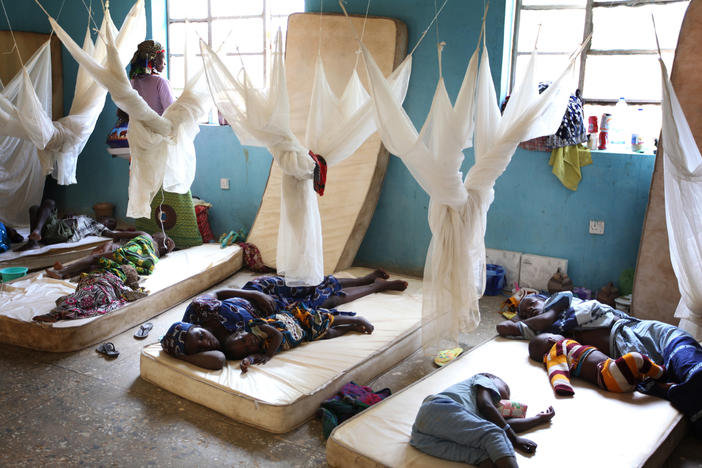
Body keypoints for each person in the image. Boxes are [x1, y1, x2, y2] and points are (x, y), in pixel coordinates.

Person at [496, 291, 702, 435]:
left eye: (532, 304)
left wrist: (524, 320)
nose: (529, 311)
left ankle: (692, 382)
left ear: (544, 299)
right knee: (648, 379)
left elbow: (545, 317)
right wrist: (518, 320)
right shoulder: (549, 335)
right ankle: (686, 396)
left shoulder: (559, 301)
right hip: (624, 350)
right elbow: (502, 327)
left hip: (634, 332)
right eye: (524, 313)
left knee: (684, 356)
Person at [160, 270, 409, 370]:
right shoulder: (223, 348)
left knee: (309, 282)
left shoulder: (197, 311)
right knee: (326, 303)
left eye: (200, 336)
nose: (207, 341)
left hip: (258, 293)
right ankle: (376, 287)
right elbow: (216, 361)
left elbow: (220, 294)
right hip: (275, 314)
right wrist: (184, 354)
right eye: (199, 347)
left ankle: (363, 279)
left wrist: (252, 293)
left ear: (193, 326)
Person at [410, 372, 555, 467]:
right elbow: (488, 408)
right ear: (492, 379)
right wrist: (515, 440)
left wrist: (537, 419)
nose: (505, 399)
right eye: (505, 388)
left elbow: (505, 425)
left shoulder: (473, 418)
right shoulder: (482, 380)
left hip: (422, 436)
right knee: (494, 435)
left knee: (483, 455)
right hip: (439, 408)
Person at [528, 333, 666, 396]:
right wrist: (561, 386)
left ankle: (659, 385)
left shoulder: (561, 350)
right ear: (551, 339)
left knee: (637, 370)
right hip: (607, 375)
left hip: (613, 374)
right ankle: (661, 373)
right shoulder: (555, 351)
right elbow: (556, 370)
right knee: (635, 358)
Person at [45, 230, 174, 281]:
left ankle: (62, 272)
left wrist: (115, 237)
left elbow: (118, 234)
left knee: (95, 259)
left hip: (128, 254)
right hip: (139, 266)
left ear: (156, 236)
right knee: (101, 264)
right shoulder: (155, 254)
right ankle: (70, 274)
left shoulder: (146, 236)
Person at [17, 199, 108, 251]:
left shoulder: (98, 226)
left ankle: (36, 232)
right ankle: (34, 241)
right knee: (34, 208)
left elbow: (114, 234)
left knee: (50, 202)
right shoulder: (87, 218)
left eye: (109, 220)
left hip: (60, 233)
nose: (104, 216)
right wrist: (66, 217)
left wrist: (120, 233)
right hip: (54, 229)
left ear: (107, 225)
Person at [128, 40, 174, 116]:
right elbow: (171, 112)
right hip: (158, 127)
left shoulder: (133, 80)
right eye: (163, 58)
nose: (165, 63)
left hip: (137, 127)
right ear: (154, 60)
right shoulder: (160, 81)